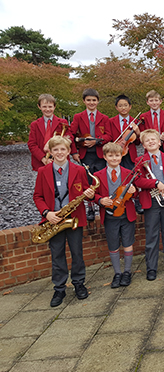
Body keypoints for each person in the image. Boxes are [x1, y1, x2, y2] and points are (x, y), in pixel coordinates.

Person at [33, 136, 95, 307]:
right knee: (57, 255)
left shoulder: (80, 170)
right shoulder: (43, 171)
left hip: (74, 218)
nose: (59, 153)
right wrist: (47, 213)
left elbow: (85, 191)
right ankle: (59, 288)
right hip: (53, 219)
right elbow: (37, 196)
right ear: (51, 153)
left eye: (63, 149)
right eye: (56, 150)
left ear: (69, 152)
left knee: (77, 254)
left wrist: (90, 194)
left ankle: (79, 283)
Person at [134, 129, 164, 280]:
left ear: (160, 142)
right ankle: (151, 267)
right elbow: (137, 181)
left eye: (153, 139)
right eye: (147, 140)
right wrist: (155, 183)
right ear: (143, 145)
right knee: (152, 236)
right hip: (151, 202)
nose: (151, 142)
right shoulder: (139, 161)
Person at [93, 143, 138, 288]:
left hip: (126, 214)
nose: (114, 158)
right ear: (105, 157)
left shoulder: (128, 173)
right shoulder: (97, 175)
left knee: (127, 243)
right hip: (109, 215)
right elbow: (93, 194)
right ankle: (117, 273)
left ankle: (127, 272)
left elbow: (136, 194)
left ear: (121, 156)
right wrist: (100, 199)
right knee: (113, 245)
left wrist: (133, 191)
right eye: (111, 156)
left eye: (117, 155)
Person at [70, 88, 112, 221]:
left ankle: (103, 205)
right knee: (87, 181)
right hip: (84, 154)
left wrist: (97, 140)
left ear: (98, 101)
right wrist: (74, 152)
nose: (91, 103)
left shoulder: (104, 118)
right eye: (88, 100)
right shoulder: (78, 117)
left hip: (99, 154)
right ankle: (90, 207)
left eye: (94, 100)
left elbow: (109, 135)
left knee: (101, 181)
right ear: (84, 101)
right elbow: (70, 134)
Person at [27, 94, 69, 171]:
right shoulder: (35, 125)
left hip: (60, 159)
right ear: (39, 107)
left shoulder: (62, 122)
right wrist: (43, 158)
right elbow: (32, 144)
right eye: (44, 106)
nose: (47, 109)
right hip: (41, 161)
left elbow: (69, 138)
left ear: (54, 106)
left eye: (50, 106)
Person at [109, 94, 141, 170]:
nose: (123, 108)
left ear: (130, 106)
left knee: (130, 176)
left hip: (130, 154)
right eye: (120, 106)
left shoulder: (136, 121)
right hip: (115, 153)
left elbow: (138, 142)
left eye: (125, 105)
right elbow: (109, 137)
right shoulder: (110, 121)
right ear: (116, 108)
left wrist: (138, 132)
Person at [139, 90, 164, 157]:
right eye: (151, 101)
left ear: (160, 101)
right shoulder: (143, 117)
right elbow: (142, 133)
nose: (154, 103)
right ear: (147, 102)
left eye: (156, 100)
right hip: (150, 147)